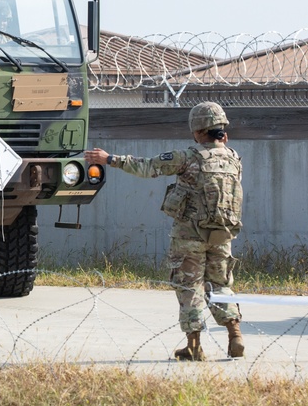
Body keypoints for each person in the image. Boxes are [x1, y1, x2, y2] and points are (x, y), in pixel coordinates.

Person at [84, 101, 245, 361]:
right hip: (222, 234)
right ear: (222, 130)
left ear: (197, 130)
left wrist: (109, 159)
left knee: (189, 288)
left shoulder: (188, 157)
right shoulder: (234, 158)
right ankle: (234, 334)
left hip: (189, 236)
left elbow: (148, 166)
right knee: (222, 285)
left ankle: (194, 347)